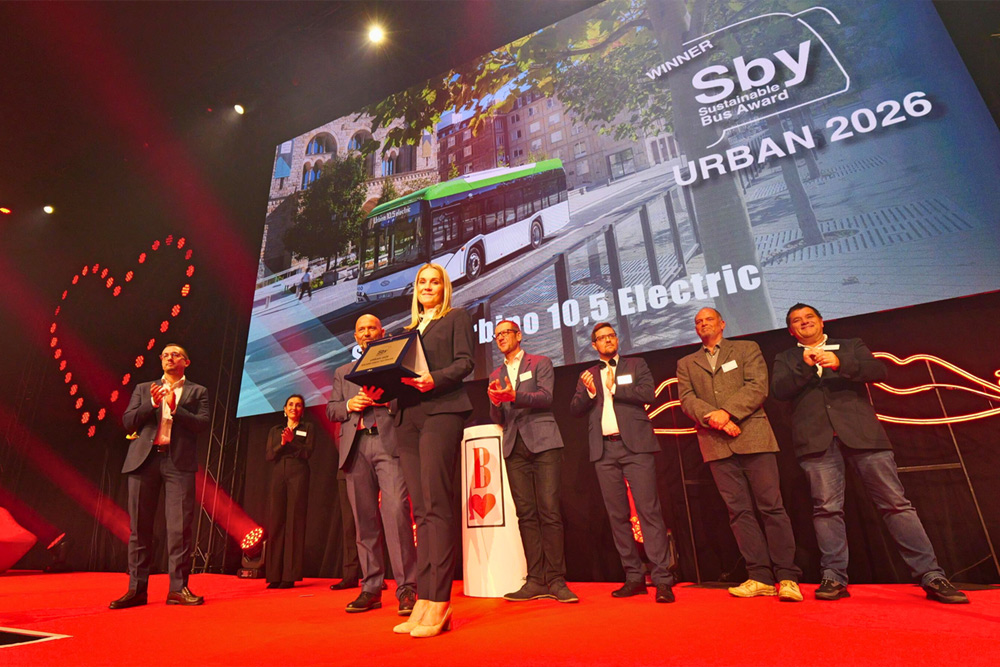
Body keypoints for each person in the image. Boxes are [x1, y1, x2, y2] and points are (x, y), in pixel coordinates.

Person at [772, 303, 968, 604]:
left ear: (822, 322)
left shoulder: (850, 346)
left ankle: (931, 575)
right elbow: (780, 390)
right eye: (797, 321)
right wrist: (805, 366)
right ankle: (834, 577)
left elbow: (878, 370)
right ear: (791, 331)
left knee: (896, 504)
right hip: (816, 441)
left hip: (863, 436)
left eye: (809, 317)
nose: (804, 322)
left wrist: (840, 363)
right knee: (826, 509)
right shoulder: (786, 358)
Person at [676, 308, 802, 601]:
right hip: (715, 443)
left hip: (754, 437)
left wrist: (727, 412)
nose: (703, 323)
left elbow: (757, 386)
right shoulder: (686, 363)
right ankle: (759, 576)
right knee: (739, 512)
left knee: (772, 507)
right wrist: (715, 419)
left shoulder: (746, 348)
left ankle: (787, 576)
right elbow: (687, 399)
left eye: (709, 319)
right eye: (698, 321)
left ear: (722, 323)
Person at [392, 264, 474, 637]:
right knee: (421, 512)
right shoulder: (405, 332)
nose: (427, 286)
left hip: (441, 412)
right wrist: (381, 390)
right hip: (407, 418)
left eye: (434, 282)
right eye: (422, 282)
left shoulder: (455, 318)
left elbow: (465, 362)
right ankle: (423, 600)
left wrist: (435, 379)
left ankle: (440, 601)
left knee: (437, 506)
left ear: (444, 288)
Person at [569, 322, 676, 603]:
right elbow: (575, 409)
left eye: (611, 336)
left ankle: (662, 579)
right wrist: (590, 392)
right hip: (604, 451)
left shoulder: (636, 365)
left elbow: (648, 394)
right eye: (601, 338)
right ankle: (634, 577)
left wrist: (615, 387)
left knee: (649, 512)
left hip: (636, 448)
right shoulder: (587, 375)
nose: (607, 340)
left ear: (617, 340)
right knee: (617, 517)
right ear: (594, 345)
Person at [327, 314, 418, 616]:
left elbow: (410, 400)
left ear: (381, 333)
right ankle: (371, 588)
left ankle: (407, 588)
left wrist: (386, 402)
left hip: (387, 444)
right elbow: (331, 409)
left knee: (397, 514)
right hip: (355, 448)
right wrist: (349, 405)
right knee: (364, 521)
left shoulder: (396, 367)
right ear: (355, 337)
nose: (366, 333)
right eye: (361, 329)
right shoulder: (343, 372)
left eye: (371, 328)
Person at [110, 343, 210, 609]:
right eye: (165, 355)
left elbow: (202, 423)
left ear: (186, 362)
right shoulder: (144, 389)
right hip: (144, 461)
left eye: (175, 354)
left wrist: (176, 409)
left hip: (178, 463)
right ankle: (136, 590)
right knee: (139, 528)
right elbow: (128, 421)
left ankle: (177, 589)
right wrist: (152, 403)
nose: (169, 358)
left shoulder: (198, 391)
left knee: (179, 528)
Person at [487, 320, 578, 604]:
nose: (500, 338)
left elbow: (546, 397)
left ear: (518, 335)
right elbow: (498, 418)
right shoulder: (495, 373)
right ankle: (535, 579)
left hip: (544, 443)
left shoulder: (540, 362)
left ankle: (556, 579)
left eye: (505, 333)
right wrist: (495, 402)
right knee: (525, 515)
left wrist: (514, 395)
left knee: (549, 511)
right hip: (514, 447)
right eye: (496, 335)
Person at [264, 394, 314, 589]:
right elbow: (269, 455)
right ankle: (274, 575)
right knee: (276, 521)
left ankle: (289, 575)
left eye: (298, 405)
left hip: (299, 473)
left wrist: (293, 441)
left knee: (295, 521)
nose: (294, 407)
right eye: (291, 404)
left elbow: (307, 453)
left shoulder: (308, 428)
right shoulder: (275, 430)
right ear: (285, 409)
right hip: (278, 473)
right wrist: (283, 443)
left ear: (303, 410)